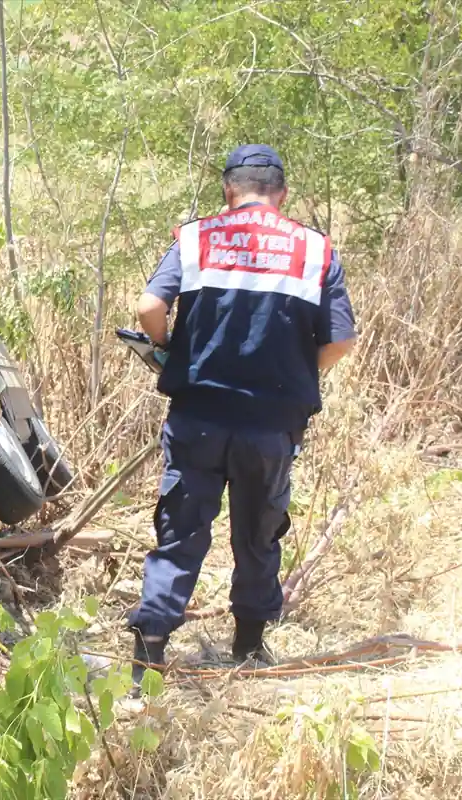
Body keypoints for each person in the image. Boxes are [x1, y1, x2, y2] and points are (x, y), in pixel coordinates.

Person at [128, 144, 357, 684]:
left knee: (181, 530)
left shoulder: (195, 237)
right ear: (282, 194)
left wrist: (168, 350)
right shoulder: (314, 249)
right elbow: (341, 340)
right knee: (258, 531)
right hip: (272, 424)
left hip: (199, 415)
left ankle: (149, 654)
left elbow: (148, 308)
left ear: (228, 190)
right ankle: (249, 650)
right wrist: (301, 374)